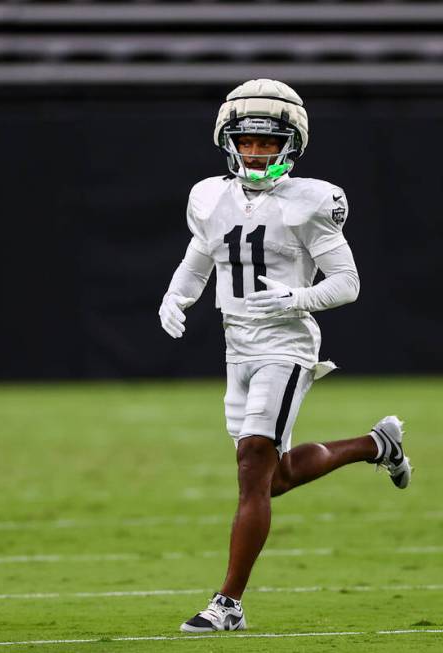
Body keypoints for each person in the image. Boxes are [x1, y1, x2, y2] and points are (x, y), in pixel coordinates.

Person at [158, 79, 413, 634]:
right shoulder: (208, 196)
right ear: (228, 142)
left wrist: (296, 297)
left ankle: (227, 604)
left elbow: (347, 283)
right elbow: (200, 255)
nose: (254, 152)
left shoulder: (313, 200)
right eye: (246, 142)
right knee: (269, 479)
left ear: (290, 145)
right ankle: (377, 444)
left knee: (252, 461)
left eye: (266, 143)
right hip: (236, 343)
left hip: (286, 340)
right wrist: (176, 296)